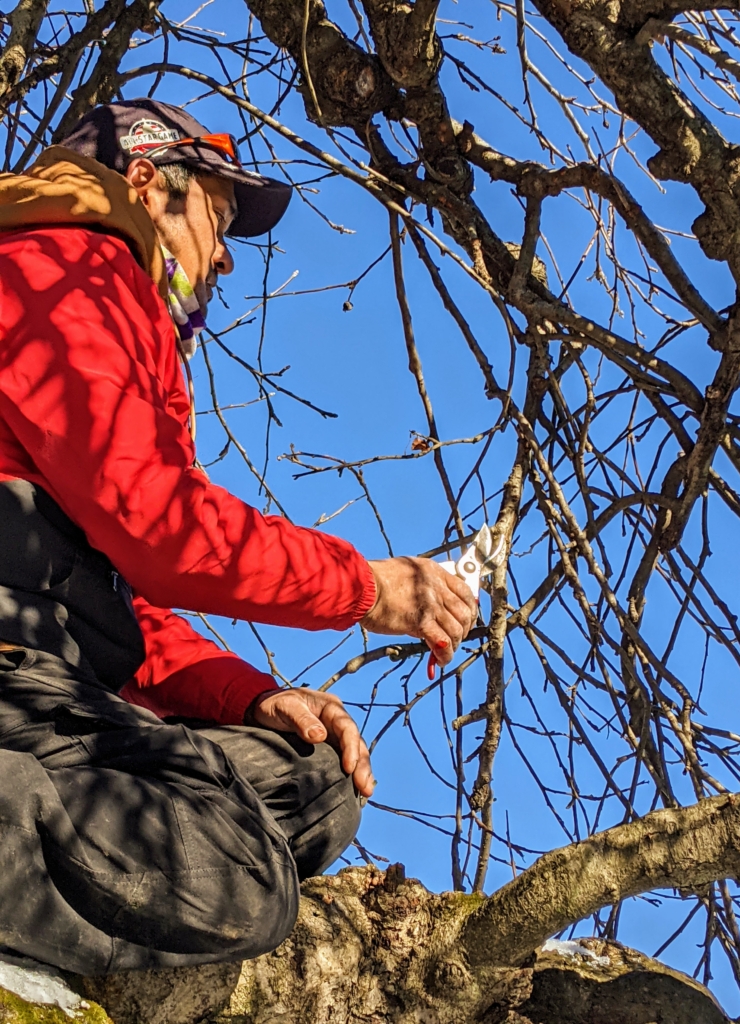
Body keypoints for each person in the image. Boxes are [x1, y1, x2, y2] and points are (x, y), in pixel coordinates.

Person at [0, 99, 476, 975]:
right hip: (14, 663)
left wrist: (249, 698)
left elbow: (110, 594)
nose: (223, 255)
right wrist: (366, 588)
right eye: (217, 220)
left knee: (310, 783)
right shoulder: (60, 270)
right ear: (146, 184)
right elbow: (161, 527)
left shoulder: (104, 305)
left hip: (47, 669)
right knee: (247, 878)